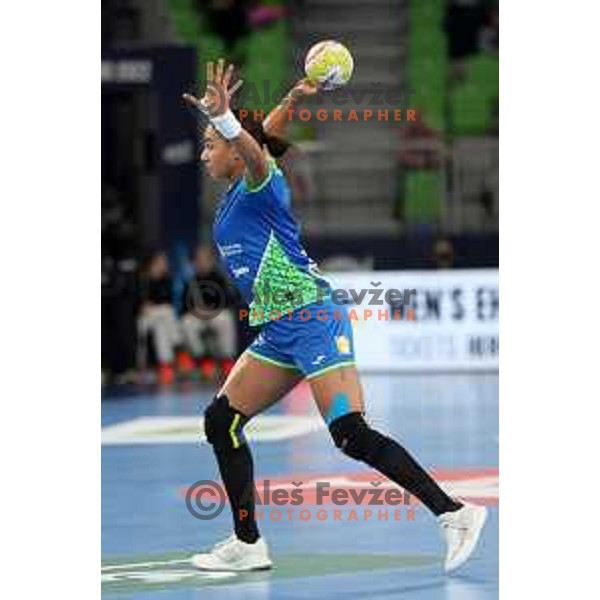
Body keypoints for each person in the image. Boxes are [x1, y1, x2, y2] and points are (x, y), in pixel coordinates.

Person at [182, 59, 487, 573]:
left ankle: (454, 513)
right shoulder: (237, 189)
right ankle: (248, 543)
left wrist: (228, 119)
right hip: (279, 331)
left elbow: (255, 152)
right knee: (222, 421)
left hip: (313, 319)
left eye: (211, 143)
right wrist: (295, 97)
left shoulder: (262, 185)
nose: (203, 152)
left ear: (235, 148)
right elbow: (262, 137)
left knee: (349, 434)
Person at [181, 244, 238, 378]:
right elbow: (184, 307)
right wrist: (196, 311)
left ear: (211, 261)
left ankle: (227, 360)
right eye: (198, 260)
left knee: (226, 319)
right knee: (187, 323)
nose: (202, 263)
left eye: (205, 259)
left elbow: (228, 301)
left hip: (216, 314)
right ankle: (204, 360)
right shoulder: (191, 281)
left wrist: (212, 309)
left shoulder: (218, 278)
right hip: (197, 317)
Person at [138, 252, 193, 384]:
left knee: (162, 327)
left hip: (160, 318)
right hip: (143, 319)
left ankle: (165, 366)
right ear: (153, 264)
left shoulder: (166, 280)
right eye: (161, 262)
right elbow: (137, 302)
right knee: (167, 312)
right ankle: (180, 349)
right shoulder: (142, 280)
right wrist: (142, 305)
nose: (165, 265)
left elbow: (166, 300)